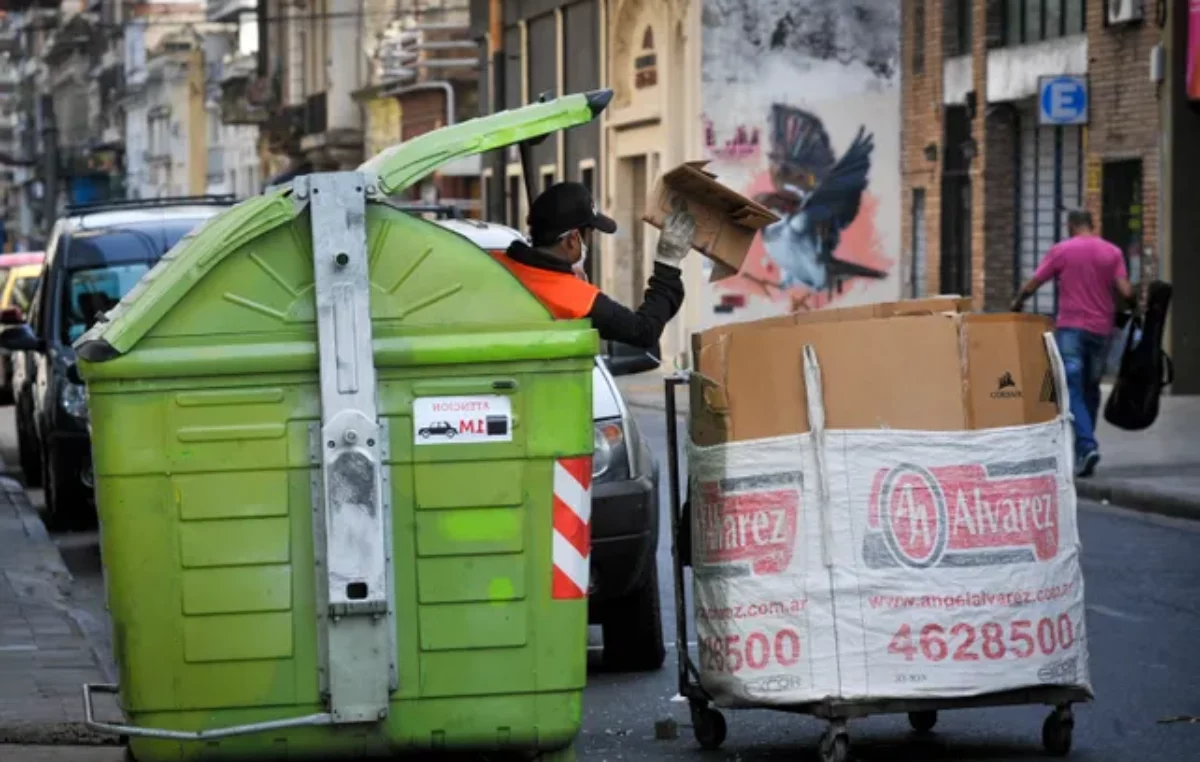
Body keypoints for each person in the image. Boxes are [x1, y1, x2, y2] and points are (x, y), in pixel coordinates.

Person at [494, 181, 694, 349]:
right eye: (588, 235)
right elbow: (643, 331)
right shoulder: (573, 298)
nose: (588, 244)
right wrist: (667, 262)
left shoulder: (494, 266)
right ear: (573, 239)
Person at [1011, 209, 1134, 478]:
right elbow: (1126, 291)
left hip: (1071, 330)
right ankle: (1084, 446)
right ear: (1093, 224)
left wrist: (1019, 302)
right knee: (1090, 388)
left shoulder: (1062, 250)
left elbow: (1035, 281)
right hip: (1102, 331)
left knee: (1071, 388)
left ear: (1071, 225)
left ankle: (1087, 445)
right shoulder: (1112, 252)